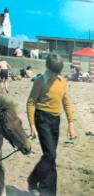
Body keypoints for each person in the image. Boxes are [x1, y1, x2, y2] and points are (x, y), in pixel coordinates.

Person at [26, 52, 76, 196]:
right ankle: (33, 180)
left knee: (51, 157)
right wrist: (32, 125)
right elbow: (30, 102)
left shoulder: (63, 82)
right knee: (50, 155)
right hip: (42, 118)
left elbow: (66, 102)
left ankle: (47, 191)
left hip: (56, 120)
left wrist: (71, 123)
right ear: (47, 68)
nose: (55, 75)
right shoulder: (40, 81)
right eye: (53, 73)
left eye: (57, 73)